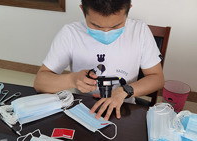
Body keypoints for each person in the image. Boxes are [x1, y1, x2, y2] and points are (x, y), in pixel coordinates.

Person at [34, 0, 164, 121]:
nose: (106, 32)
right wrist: (72, 80)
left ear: (128, 9)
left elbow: (157, 79)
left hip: (124, 109)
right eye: (95, 25)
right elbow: (40, 83)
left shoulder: (139, 31)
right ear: (82, 10)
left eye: (116, 26)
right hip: (84, 109)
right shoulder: (70, 34)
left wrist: (124, 91)